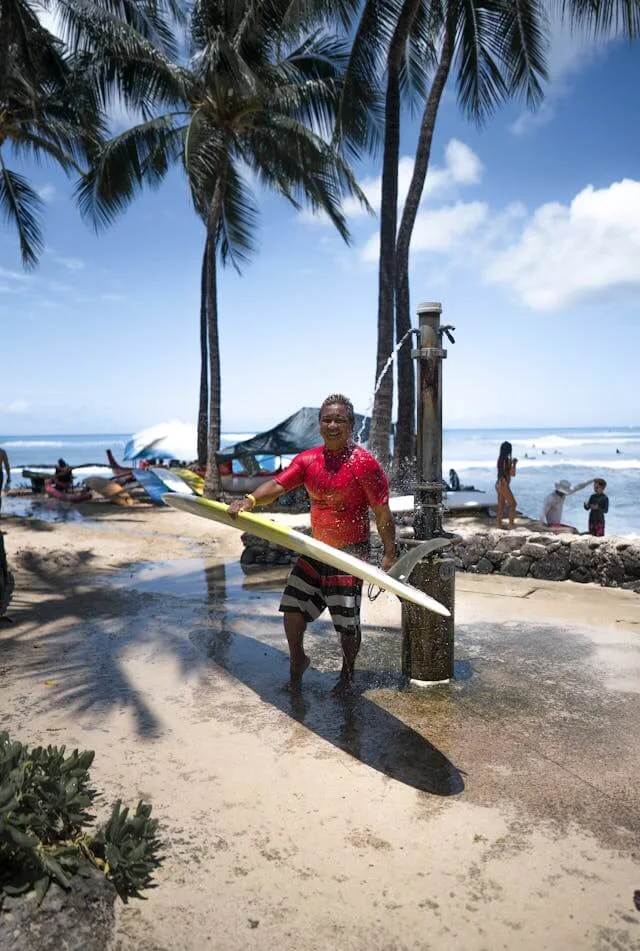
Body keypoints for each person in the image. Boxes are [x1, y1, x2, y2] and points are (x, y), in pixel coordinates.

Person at [228, 394, 397, 693]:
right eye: (327, 420)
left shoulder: (364, 464)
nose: (332, 425)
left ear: (351, 425)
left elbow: (382, 512)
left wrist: (389, 552)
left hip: (349, 555)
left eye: (340, 420)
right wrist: (250, 500)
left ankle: (347, 673)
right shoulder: (308, 460)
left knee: (346, 623)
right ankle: (298, 659)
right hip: (317, 550)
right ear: (319, 424)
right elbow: (278, 485)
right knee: (292, 610)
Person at [495, 441, 518, 530]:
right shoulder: (506, 460)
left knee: (501, 506)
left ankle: (499, 524)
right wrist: (514, 464)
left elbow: (506, 473)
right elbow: (512, 474)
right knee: (513, 504)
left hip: (498, 484)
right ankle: (511, 525)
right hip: (503, 484)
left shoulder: (500, 459)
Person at [0, 446, 10, 514]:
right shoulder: (2, 452)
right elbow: (7, 465)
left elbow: (6, 465)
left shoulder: (2, 452)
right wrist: (9, 477)